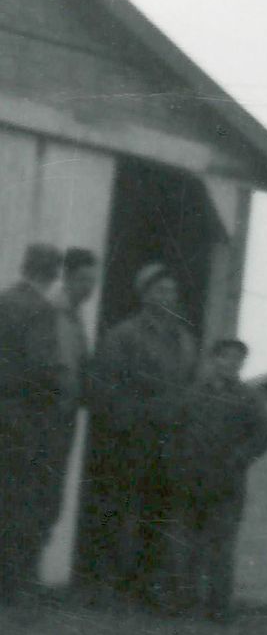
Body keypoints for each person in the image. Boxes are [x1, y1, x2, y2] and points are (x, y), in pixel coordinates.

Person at [89, 262, 198, 605]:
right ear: (145, 295)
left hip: (170, 442)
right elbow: (107, 390)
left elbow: (189, 388)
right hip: (132, 439)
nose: (169, 296)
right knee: (120, 512)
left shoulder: (184, 340)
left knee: (158, 515)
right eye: (160, 290)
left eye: (172, 290)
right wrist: (129, 427)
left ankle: (145, 589)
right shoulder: (124, 335)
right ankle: (109, 588)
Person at [168, 338, 267, 622]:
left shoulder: (249, 399)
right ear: (214, 360)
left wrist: (238, 458)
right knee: (185, 545)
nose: (232, 364)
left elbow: (262, 437)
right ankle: (182, 604)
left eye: (238, 360)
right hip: (190, 481)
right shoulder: (192, 394)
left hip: (227, 485)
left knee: (221, 548)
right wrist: (182, 463)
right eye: (226, 358)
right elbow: (174, 431)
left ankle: (218, 609)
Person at [0, 244, 66, 602]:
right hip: (24, 417)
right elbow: (43, 368)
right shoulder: (40, 310)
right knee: (20, 500)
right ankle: (12, 585)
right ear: (52, 273)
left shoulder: (3, 300)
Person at [29, 247, 99, 571]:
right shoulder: (50, 312)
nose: (90, 287)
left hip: (63, 418)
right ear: (68, 278)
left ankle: (29, 571)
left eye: (93, 281)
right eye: (84, 279)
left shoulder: (75, 316)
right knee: (35, 490)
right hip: (42, 417)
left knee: (50, 493)